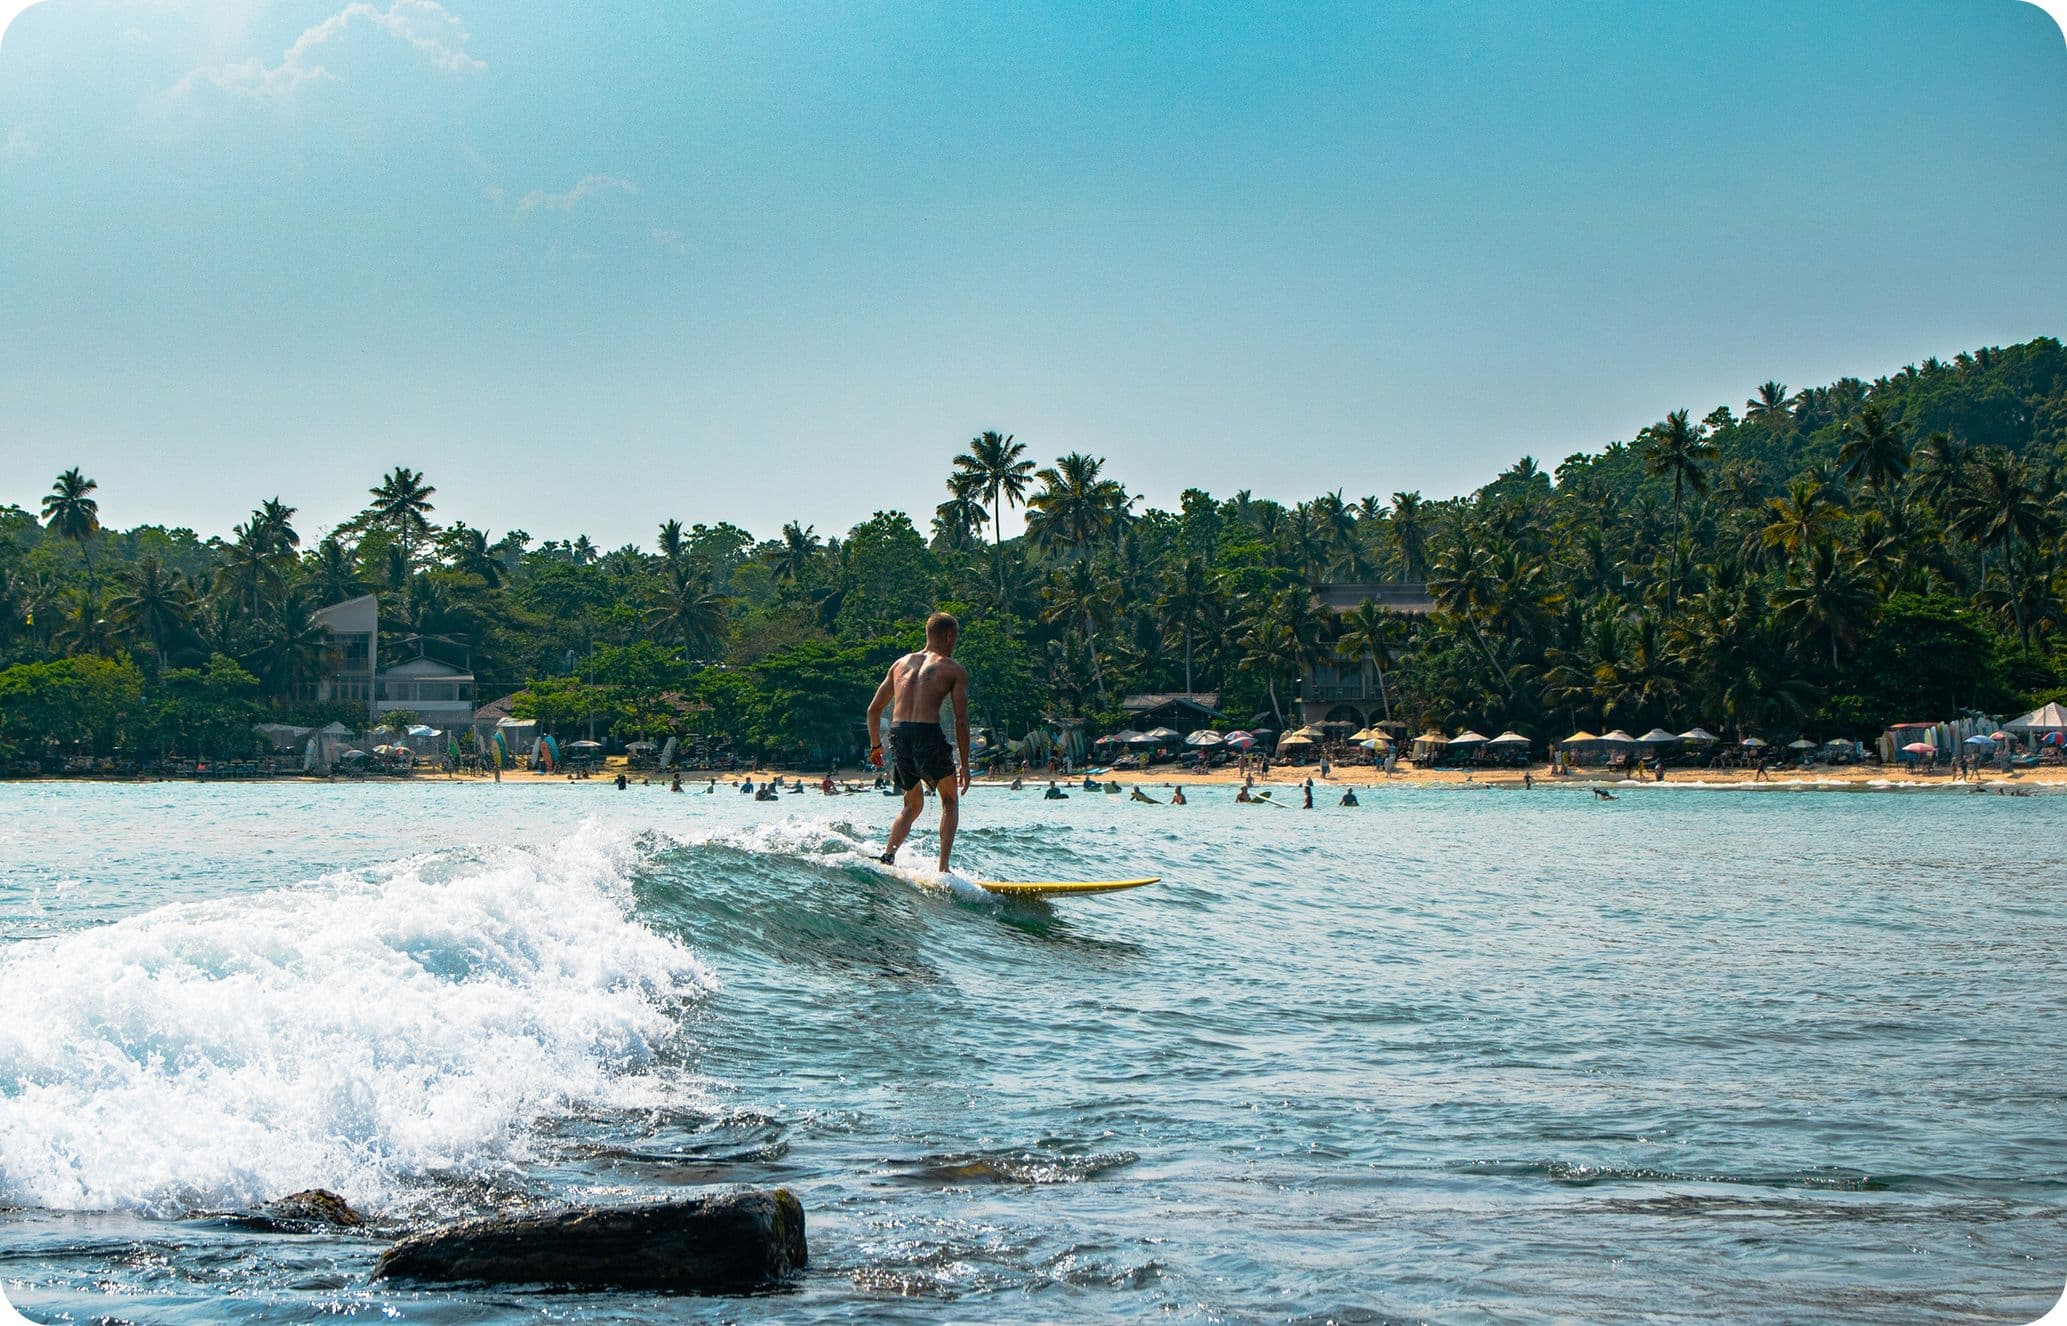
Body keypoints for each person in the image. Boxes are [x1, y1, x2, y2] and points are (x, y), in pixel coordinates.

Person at [866, 611, 973, 872]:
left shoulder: (899, 664)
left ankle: (888, 855)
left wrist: (876, 745)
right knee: (949, 801)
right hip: (927, 734)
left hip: (898, 733)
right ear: (949, 636)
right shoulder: (953, 669)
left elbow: (873, 710)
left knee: (912, 804)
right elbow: (961, 720)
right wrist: (966, 765)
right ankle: (943, 869)